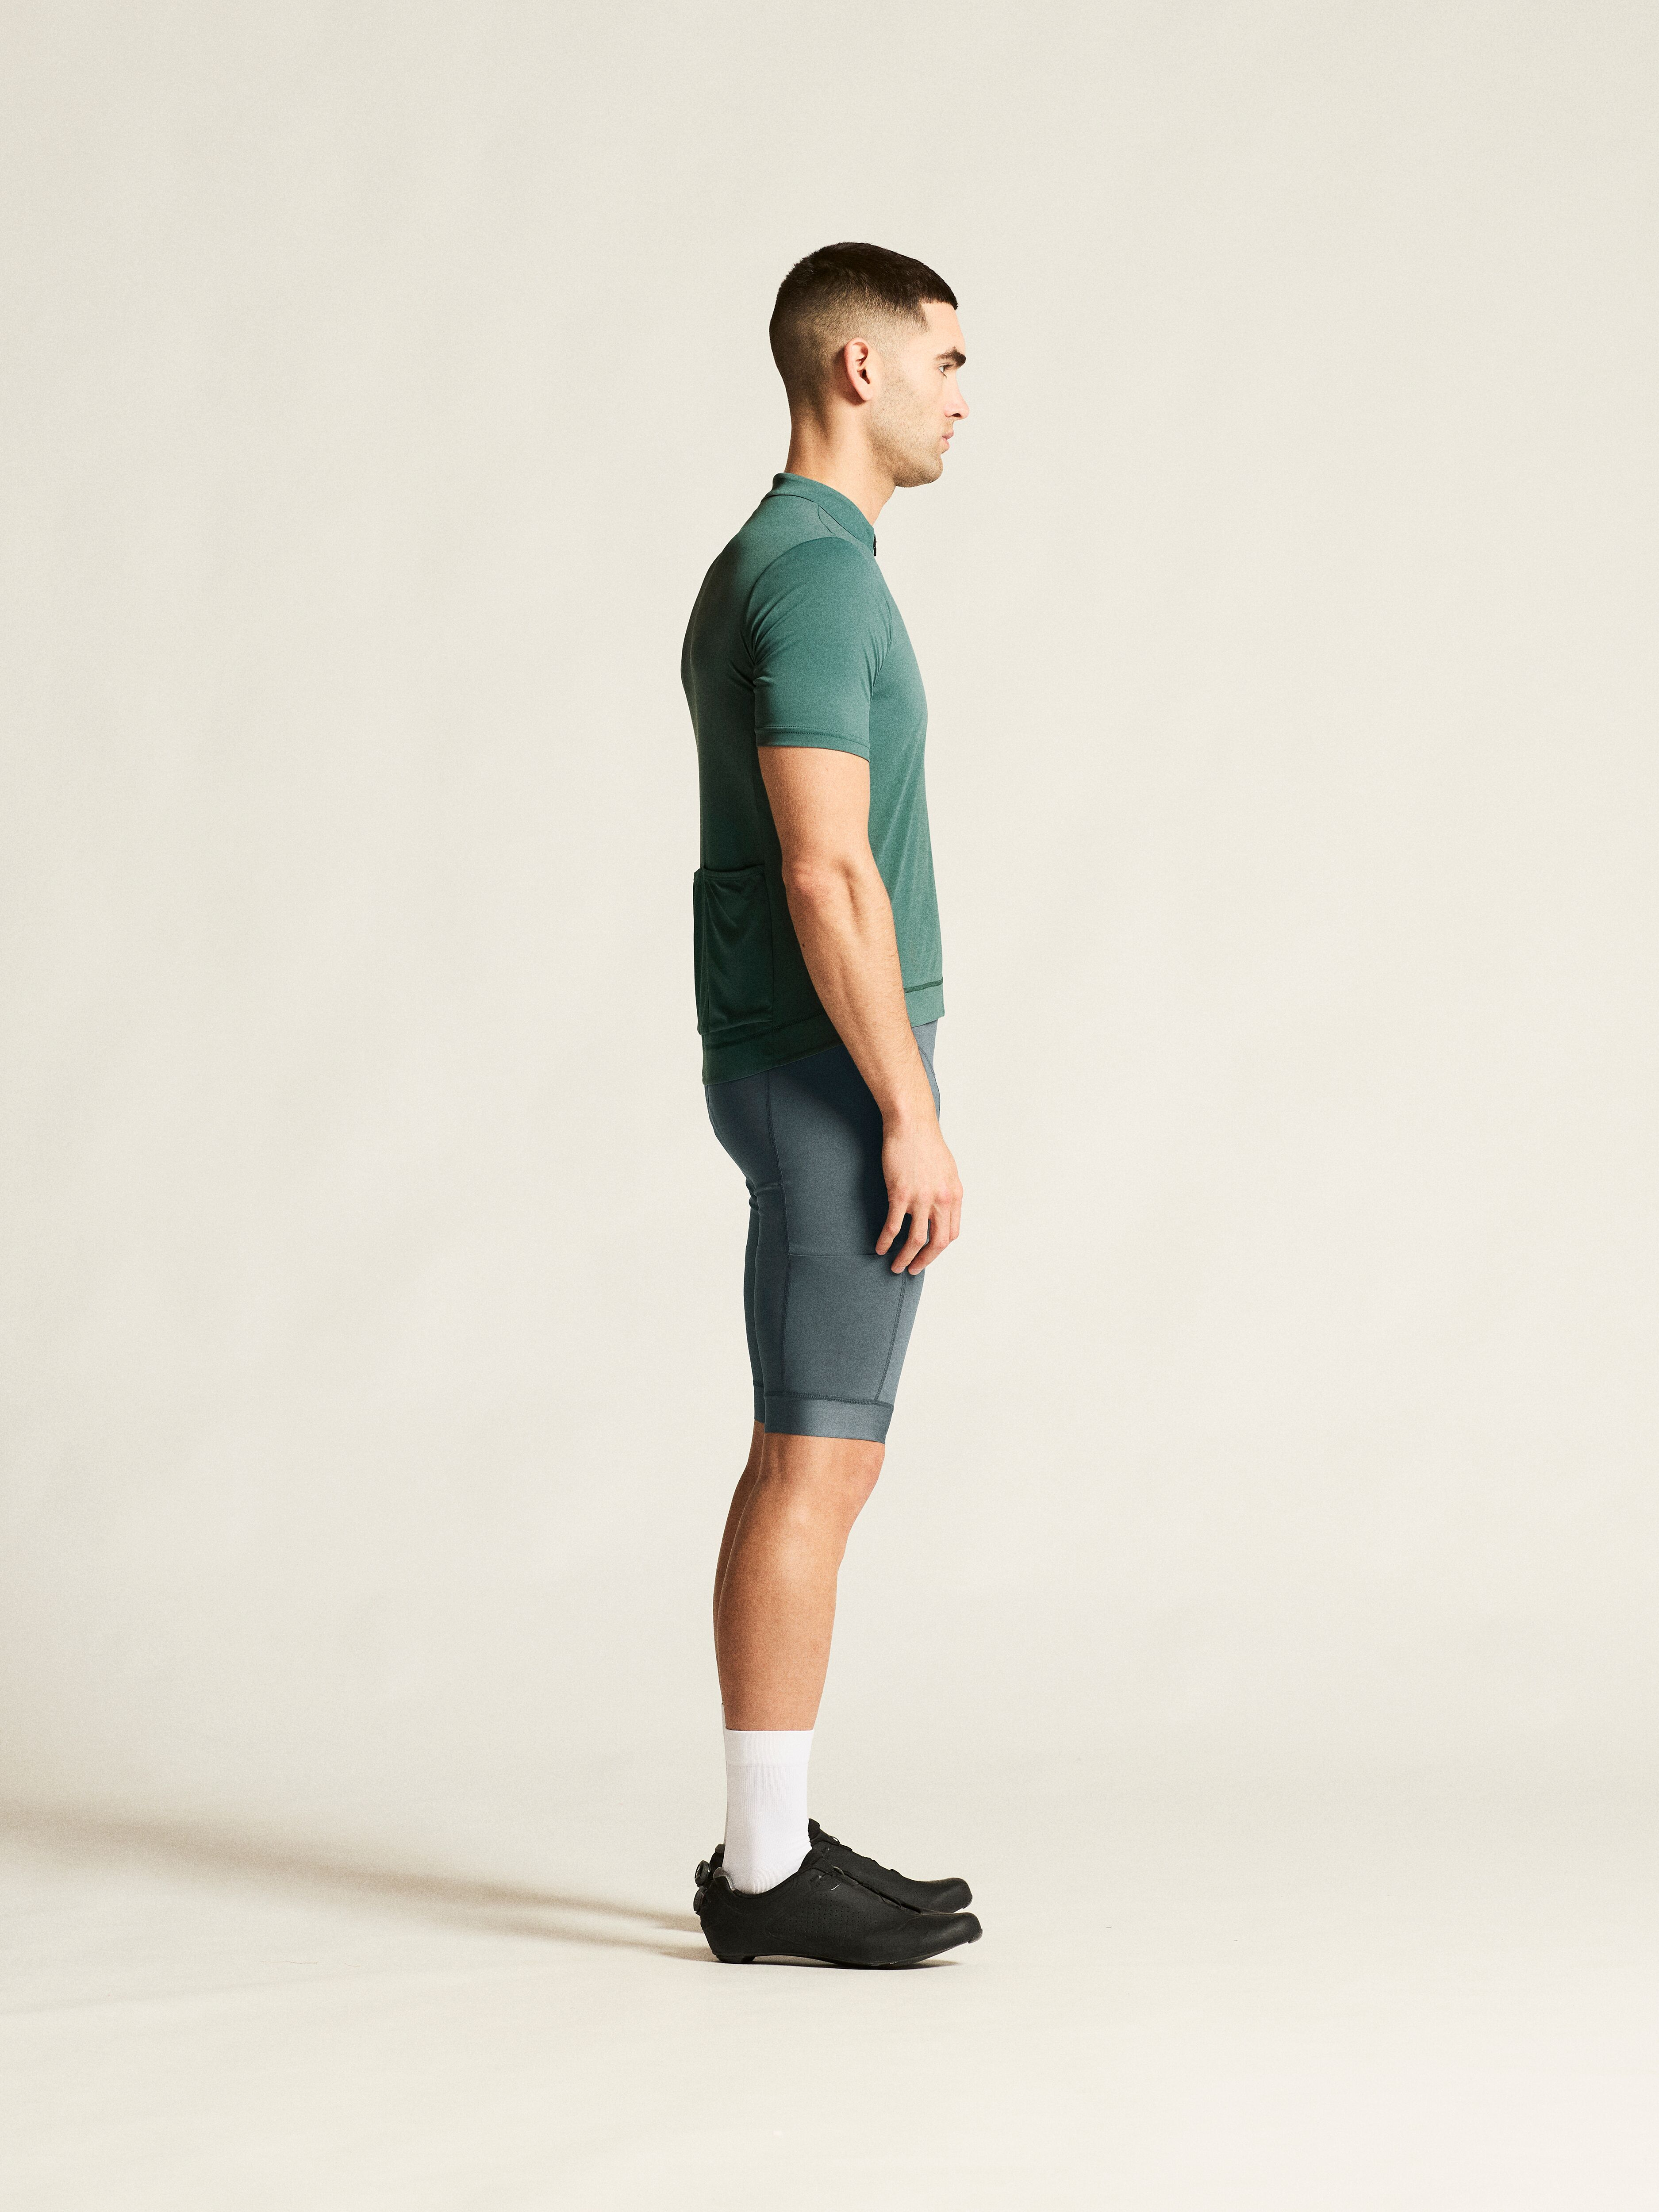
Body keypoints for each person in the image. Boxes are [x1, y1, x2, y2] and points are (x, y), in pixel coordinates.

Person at [681, 242, 981, 1966]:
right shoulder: (809, 579)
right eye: (946, 361)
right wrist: (905, 1108)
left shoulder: (798, 564)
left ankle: (773, 1840)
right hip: (825, 1068)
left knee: (819, 1454)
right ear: (858, 368)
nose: (962, 398)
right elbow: (823, 870)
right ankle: (763, 1874)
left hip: (807, 1057)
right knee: (813, 1459)